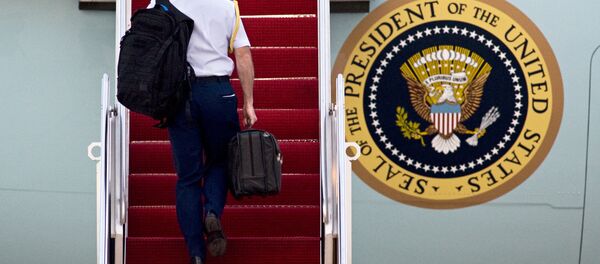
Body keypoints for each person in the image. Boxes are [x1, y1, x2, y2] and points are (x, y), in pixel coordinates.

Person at [147, 0, 257, 263]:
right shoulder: (228, 6)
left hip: (180, 95)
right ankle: (212, 213)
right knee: (220, 162)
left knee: (187, 177)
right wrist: (249, 102)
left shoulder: (163, 2)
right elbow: (243, 54)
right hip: (218, 92)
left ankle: (196, 252)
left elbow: (146, 41)